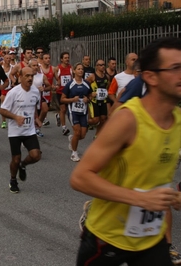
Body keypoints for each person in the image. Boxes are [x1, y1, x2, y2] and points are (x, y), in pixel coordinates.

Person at [70, 37, 181, 266]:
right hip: (108, 238)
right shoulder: (128, 120)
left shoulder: (178, 121)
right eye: (175, 68)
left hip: (150, 236)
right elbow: (80, 178)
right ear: (151, 77)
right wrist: (141, 199)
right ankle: (93, 210)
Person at [0, 67, 42, 193]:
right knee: (15, 159)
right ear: (20, 77)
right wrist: (15, 117)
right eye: (27, 76)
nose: (30, 78)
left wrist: (36, 118)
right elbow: (2, 110)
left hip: (29, 130)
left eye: (32, 76)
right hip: (15, 132)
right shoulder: (13, 92)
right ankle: (13, 179)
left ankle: (23, 165)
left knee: (36, 156)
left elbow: (33, 106)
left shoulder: (35, 91)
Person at [61, 63, 92, 162]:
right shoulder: (70, 85)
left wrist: (88, 98)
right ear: (74, 71)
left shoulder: (86, 84)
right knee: (77, 132)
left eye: (82, 69)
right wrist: (72, 100)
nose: (81, 71)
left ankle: (72, 139)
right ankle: (74, 153)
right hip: (73, 111)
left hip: (83, 111)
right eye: (78, 69)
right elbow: (62, 99)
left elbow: (90, 95)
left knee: (82, 135)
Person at [86, 59, 110, 138]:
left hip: (103, 100)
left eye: (104, 65)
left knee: (103, 119)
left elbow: (108, 87)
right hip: (94, 101)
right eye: (100, 65)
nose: (103, 66)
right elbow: (84, 86)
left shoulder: (106, 77)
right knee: (95, 120)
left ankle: (97, 135)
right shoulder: (92, 76)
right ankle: (85, 122)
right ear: (96, 66)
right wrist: (90, 94)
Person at [54, 52, 72, 135]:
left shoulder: (71, 68)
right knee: (63, 109)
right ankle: (64, 128)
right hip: (60, 92)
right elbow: (56, 78)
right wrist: (57, 83)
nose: (67, 59)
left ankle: (58, 116)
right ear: (61, 59)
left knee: (69, 110)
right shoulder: (57, 68)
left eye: (68, 57)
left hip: (69, 92)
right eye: (65, 58)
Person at [40, 53, 55, 126]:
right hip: (40, 92)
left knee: (46, 108)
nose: (48, 60)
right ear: (42, 60)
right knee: (42, 108)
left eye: (49, 58)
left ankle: (42, 120)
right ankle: (40, 123)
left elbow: (58, 79)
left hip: (48, 91)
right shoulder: (39, 68)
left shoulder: (53, 68)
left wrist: (56, 85)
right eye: (46, 58)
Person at [0, 54, 14, 129]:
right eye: (7, 58)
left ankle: (12, 119)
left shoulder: (13, 68)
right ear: (4, 59)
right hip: (3, 88)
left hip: (10, 88)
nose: (8, 59)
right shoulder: (0, 68)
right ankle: (4, 121)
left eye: (9, 58)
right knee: (4, 104)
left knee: (11, 105)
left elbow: (17, 76)